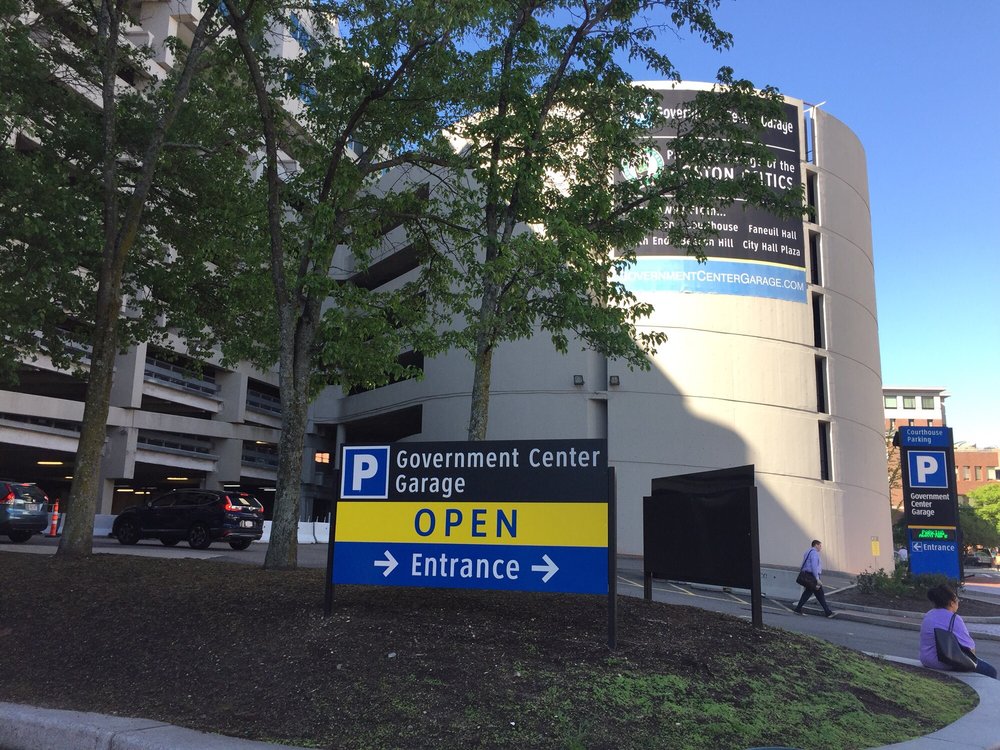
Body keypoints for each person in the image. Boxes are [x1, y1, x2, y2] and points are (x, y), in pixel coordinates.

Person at [919, 584, 997, 678]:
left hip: (926, 659)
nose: (958, 601)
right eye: (957, 599)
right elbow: (970, 648)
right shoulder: (954, 618)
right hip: (943, 662)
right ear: (952, 603)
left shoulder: (929, 614)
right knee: (991, 671)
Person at [794, 539, 835, 617]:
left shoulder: (807, 552)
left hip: (807, 575)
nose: (821, 547)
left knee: (812, 592)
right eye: (820, 545)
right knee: (818, 593)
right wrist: (817, 578)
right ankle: (828, 612)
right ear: (816, 545)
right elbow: (814, 566)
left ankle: (798, 609)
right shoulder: (814, 553)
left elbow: (803, 563)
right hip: (812, 576)